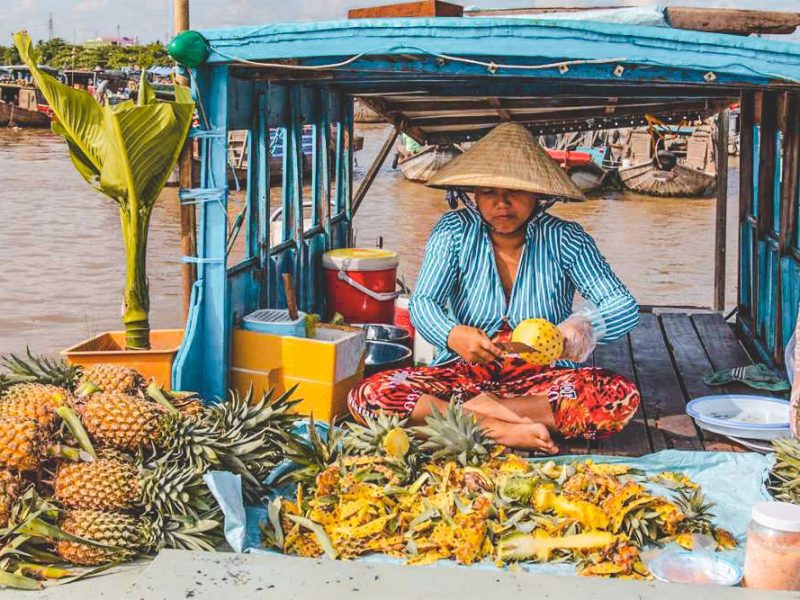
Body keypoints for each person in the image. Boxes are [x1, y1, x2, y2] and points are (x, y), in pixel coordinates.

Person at [347, 123, 640, 453]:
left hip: (542, 381)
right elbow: (424, 302)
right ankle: (497, 429)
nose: (501, 204)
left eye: (513, 192)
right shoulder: (453, 232)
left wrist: (584, 325)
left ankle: (475, 417)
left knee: (617, 395)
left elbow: (623, 305)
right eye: (488, 193)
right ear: (474, 194)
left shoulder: (566, 239)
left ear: (536, 193)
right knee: (369, 394)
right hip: (462, 374)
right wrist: (451, 334)